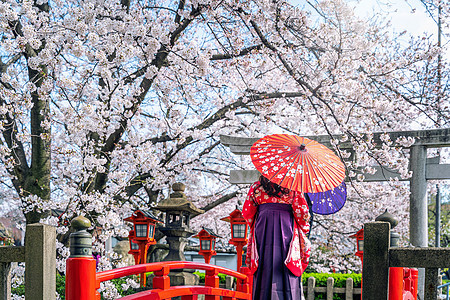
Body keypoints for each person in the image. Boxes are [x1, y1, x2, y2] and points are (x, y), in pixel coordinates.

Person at [242, 175, 311, 300]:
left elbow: (247, 213)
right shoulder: (292, 187)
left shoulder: (256, 187)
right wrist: (304, 227)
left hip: (263, 228)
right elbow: (302, 213)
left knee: (263, 262)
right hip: (286, 227)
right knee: (287, 261)